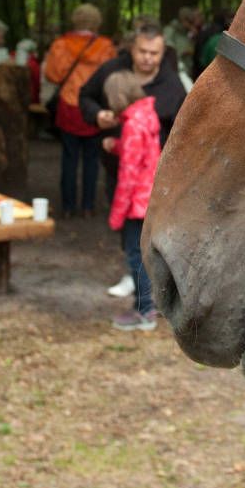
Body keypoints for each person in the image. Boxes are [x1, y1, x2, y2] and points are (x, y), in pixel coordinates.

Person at [44, 4, 115, 219]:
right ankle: (88, 206)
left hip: (68, 105)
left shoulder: (60, 45)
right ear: (97, 21)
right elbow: (111, 78)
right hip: (93, 107)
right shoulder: (105, 46)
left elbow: (53, 75)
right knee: (92, 158)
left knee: (69, 157)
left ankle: (67, 207)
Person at [104, 70, 160, 332]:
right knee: (144, 255)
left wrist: (117, 214)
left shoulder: (132, 125)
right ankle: (148, 306)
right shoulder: (146, 117)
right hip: (150, 198)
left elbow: (128, 175)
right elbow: (141, 153)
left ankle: (145, 310)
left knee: (136, 257)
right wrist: (117, 145)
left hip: (137, 203)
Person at [80, 18, 187, 145]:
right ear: (132, 48)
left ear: (163, 53)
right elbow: (85, 95)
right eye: (142, 51)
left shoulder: (173, 85)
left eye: (154, 53)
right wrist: (97, 114)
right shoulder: (111, 69)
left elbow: (184, 130)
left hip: (155, 160)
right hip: (112, 155)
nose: (147, 57)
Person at [163, 6, 203, 72]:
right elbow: (167, 50)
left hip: (186, 69)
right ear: (183, 20)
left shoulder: (188, 32)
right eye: (190, 22)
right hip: (174, 70)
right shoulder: (170, 30)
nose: (192, 25)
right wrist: (182, 52)